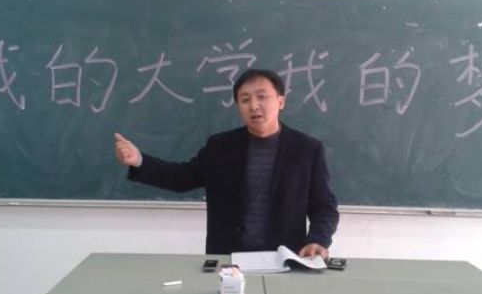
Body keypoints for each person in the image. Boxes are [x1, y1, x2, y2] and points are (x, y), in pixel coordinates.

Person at [115, 68, 339, 257]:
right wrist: (139, 160)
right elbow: (180, 178)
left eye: (262, 97)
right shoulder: (220, 147)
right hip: (228, 260)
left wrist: (318, 240)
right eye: (245, 99)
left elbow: (324, 207)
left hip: (285, 259)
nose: (254, 106)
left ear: (281, 101)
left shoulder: (307, 149)